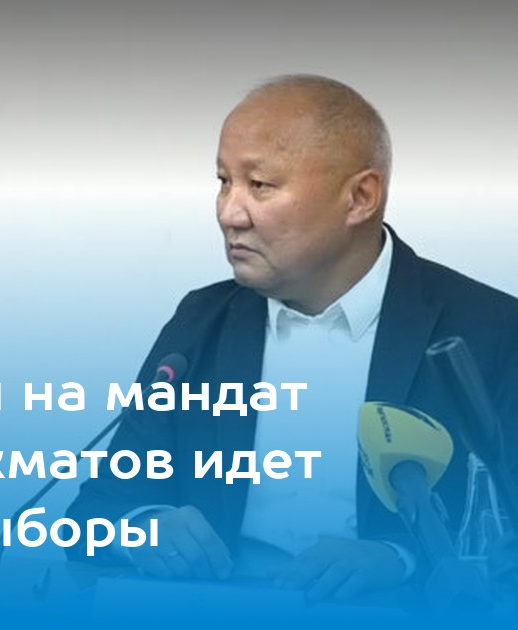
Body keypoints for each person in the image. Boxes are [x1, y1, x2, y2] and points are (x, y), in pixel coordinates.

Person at [67, 75, 518, 602]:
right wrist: (141, 526)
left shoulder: (488, 330)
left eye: (260, 185)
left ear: (360, 197)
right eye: (223, 182)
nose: (229, 213)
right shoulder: (200, 322)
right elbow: (95, 513)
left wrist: (402, 559)